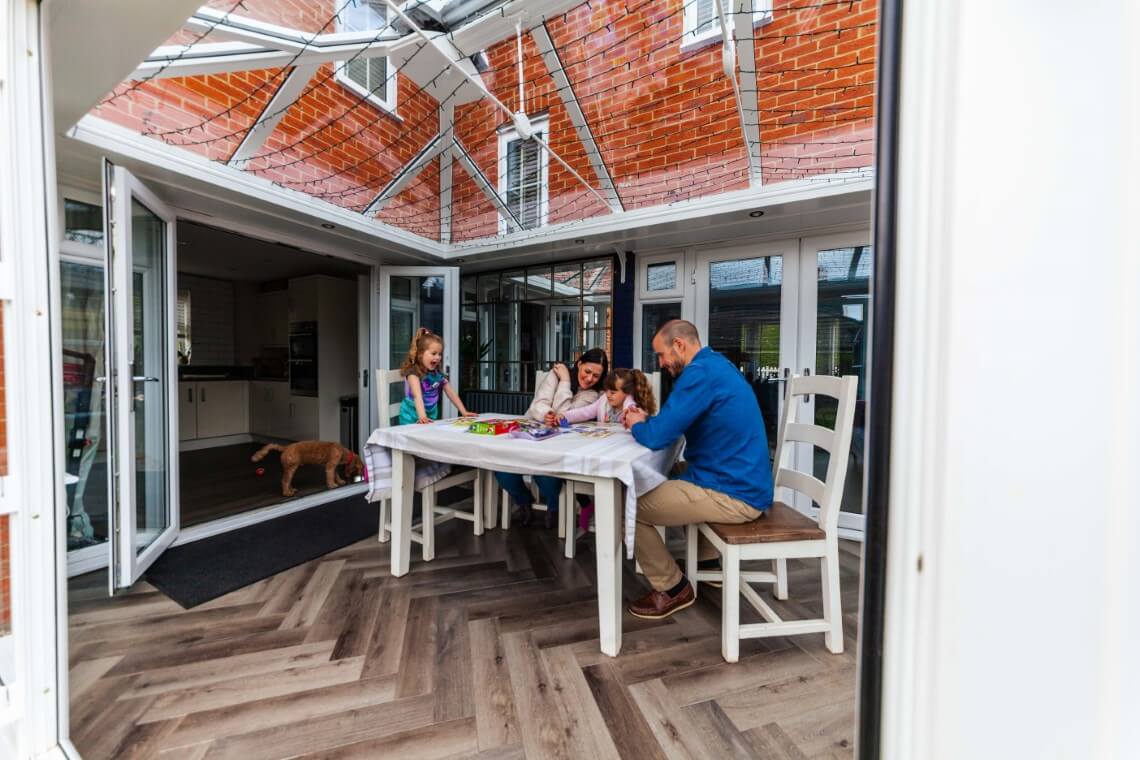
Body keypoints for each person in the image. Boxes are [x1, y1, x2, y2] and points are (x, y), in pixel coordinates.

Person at [622, 320, 773, 620]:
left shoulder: (699, 374)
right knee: (670, 469)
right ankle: (707, 563)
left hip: (733, 493)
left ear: (679, 345)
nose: (661, 363)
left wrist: (638, 423)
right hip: (741, 479)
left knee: (627, 501)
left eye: (662, 355)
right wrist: (651, 423)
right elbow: (671, 423)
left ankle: (673, 587)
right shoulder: (715, 365)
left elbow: (657, 435)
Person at [495, 347, 609, 528]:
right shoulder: (554, 374)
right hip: (530, 431)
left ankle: (553, 506)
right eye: (587, 371)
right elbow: (538, 404)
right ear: (579, 364)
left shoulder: (594, 395)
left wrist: (565, 381)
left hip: (561, 441)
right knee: (501, 467)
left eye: (596, 376)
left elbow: (564, 415)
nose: (589, 378)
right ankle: (524, 501)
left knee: (545, 473)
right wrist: (546, 413)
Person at [549, 368, 658, 536]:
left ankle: (615, 523)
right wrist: (564, 416)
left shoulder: (631, 405)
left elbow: (635, 412)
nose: (608, 395)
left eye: (613, 392)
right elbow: (584, 412)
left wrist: (634, 414)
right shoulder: (603, 402)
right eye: (607, 390)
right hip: (600, 454)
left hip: (618, 458)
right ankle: (591, 509)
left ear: (627, 393)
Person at [398, 328, 477, 424]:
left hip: (430, 414)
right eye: (433, 353)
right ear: (420, 354)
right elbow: (417, 395)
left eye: (440, 354)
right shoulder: (413, 373)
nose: (438, 357)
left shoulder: (436, 374)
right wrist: (423, 417)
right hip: (411, 415)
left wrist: (463, 411)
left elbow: (450, 392)